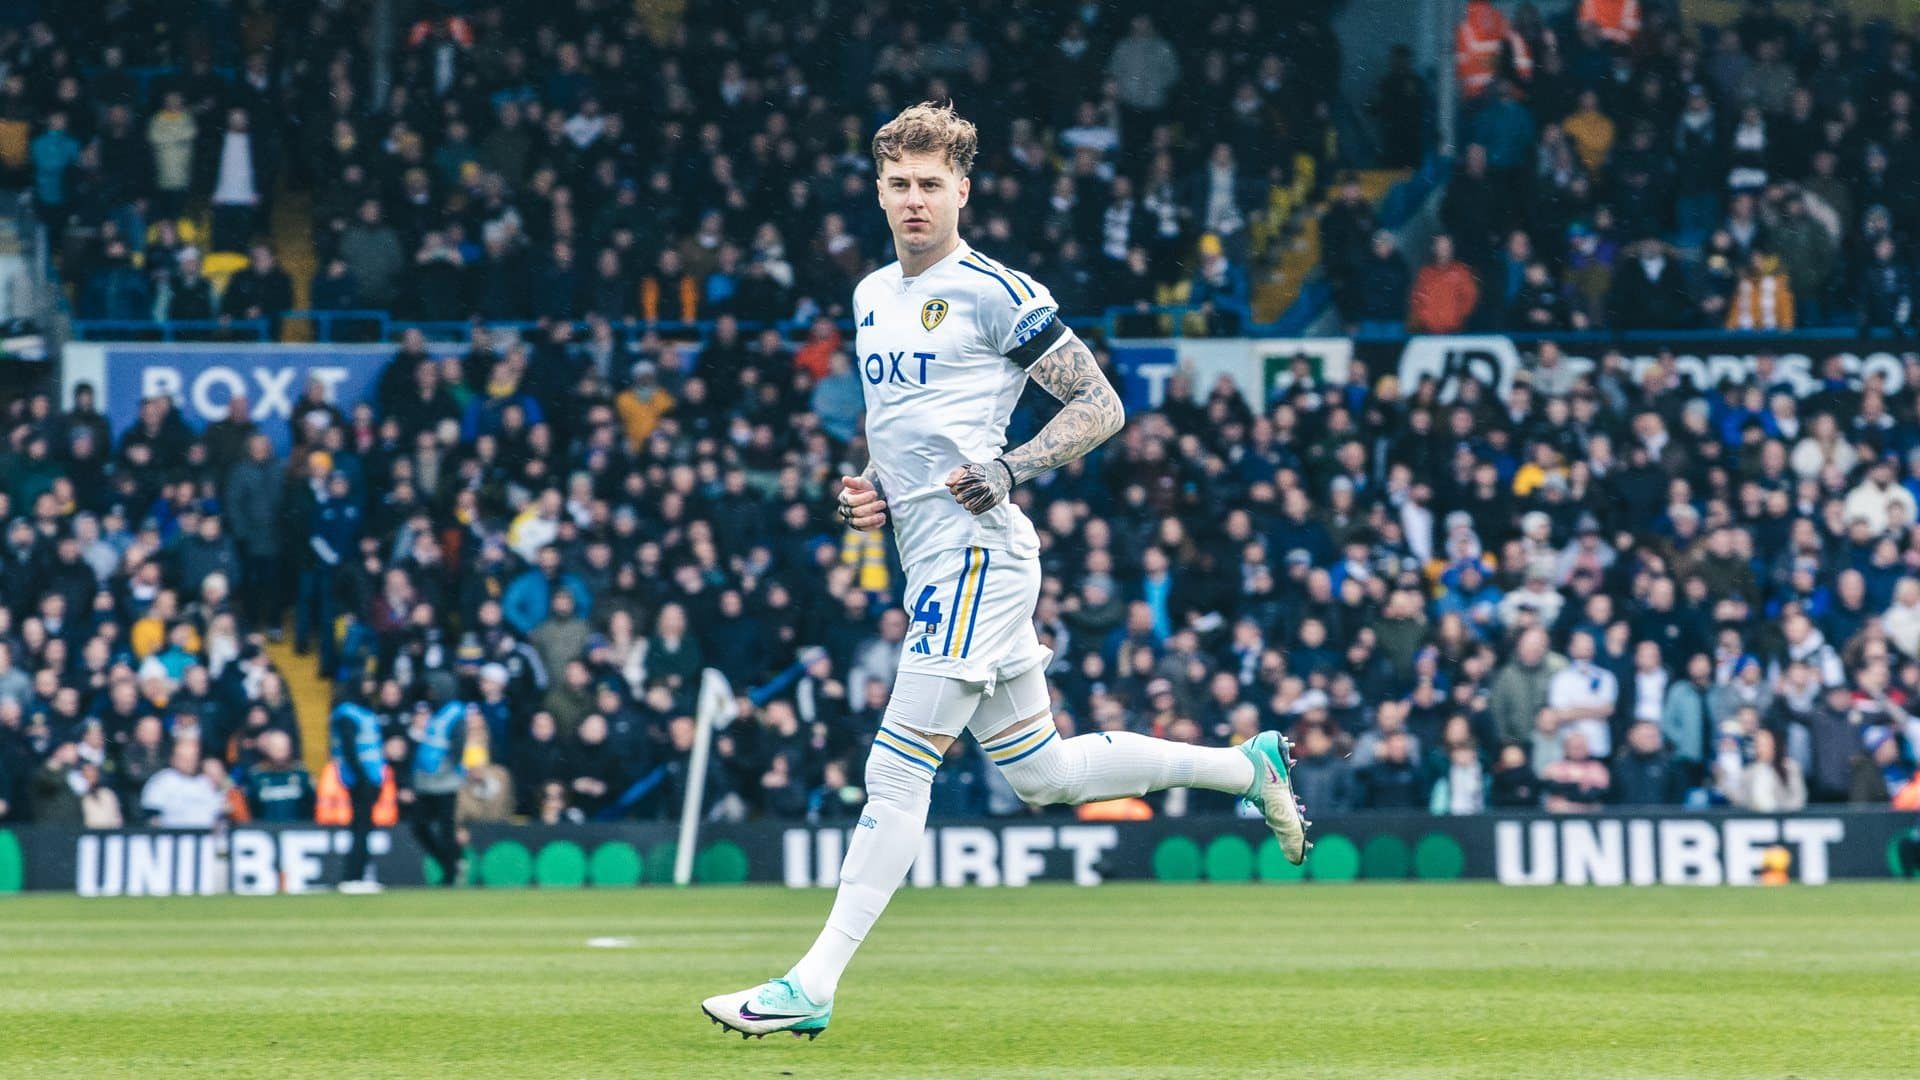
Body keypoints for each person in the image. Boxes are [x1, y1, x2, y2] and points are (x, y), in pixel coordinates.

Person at [702, 102, 1309, 1040]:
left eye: (931, 185)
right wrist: (871, 493)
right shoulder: (870, 297)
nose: (914, 200)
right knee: (1045, 774)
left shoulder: (993, 290)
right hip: (930, 556)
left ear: (963, 192)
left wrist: (1008, 467)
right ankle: (1244, 766)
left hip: (979, 560)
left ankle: (811, 983)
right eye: (899, 183)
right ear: (878, 190)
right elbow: (901, 435)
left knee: (897, 768)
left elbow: (1100, 404)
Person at [405, 699, 468, 886]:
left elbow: (456, 751)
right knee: (419, 826)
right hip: (422, 787)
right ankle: (450, 864)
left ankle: (450, 873)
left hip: (445, 785)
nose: (422, 719)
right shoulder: (411, 737)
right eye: (419, 715)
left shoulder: (439, 731)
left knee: (445, 830)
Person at [331, 700, 389, 892]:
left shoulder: (361, 713)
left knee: (362, 827)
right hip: (361, 780)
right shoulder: (351, 715)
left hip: (369, 779)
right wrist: (362, 777)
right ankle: (353, 876)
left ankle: (355, 875)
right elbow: (349, 749)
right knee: (360, 828)